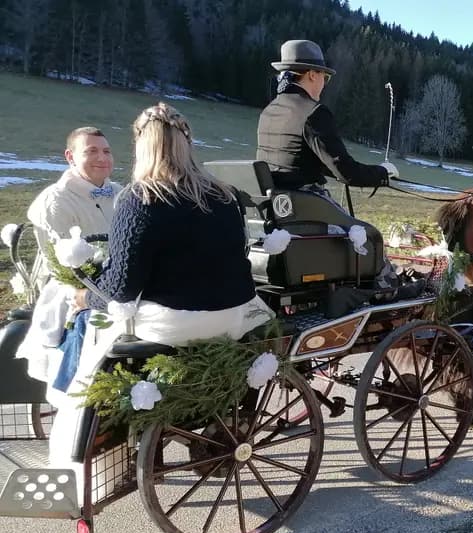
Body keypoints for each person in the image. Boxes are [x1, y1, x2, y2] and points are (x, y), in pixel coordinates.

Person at [48, 102, 273, 501]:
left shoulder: (140, 199)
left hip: (175, 322)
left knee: (84, 322)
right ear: (187, 144)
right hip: (232, 315)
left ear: (142, 146)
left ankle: (73, 414)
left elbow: (120, 289)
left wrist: (85, 295)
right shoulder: (224, 195)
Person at [16, 128, 122, 398]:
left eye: (106, 151)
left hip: (117, 283)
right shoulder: (56, 200)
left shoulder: (120, 193)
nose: (102, 158)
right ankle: (75, 391)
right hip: (71, 287)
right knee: (90, 318)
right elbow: (62, 266)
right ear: (70, 157)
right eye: (91, 151)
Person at [257, 39, 399, 193]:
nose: (324, 83)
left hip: (274, 207)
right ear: (312, 75)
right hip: (305, 208)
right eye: (325, 77)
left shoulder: (269, 111)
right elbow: (348, 173)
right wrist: (383, 173)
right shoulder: (314, 113)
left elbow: (294, 161)